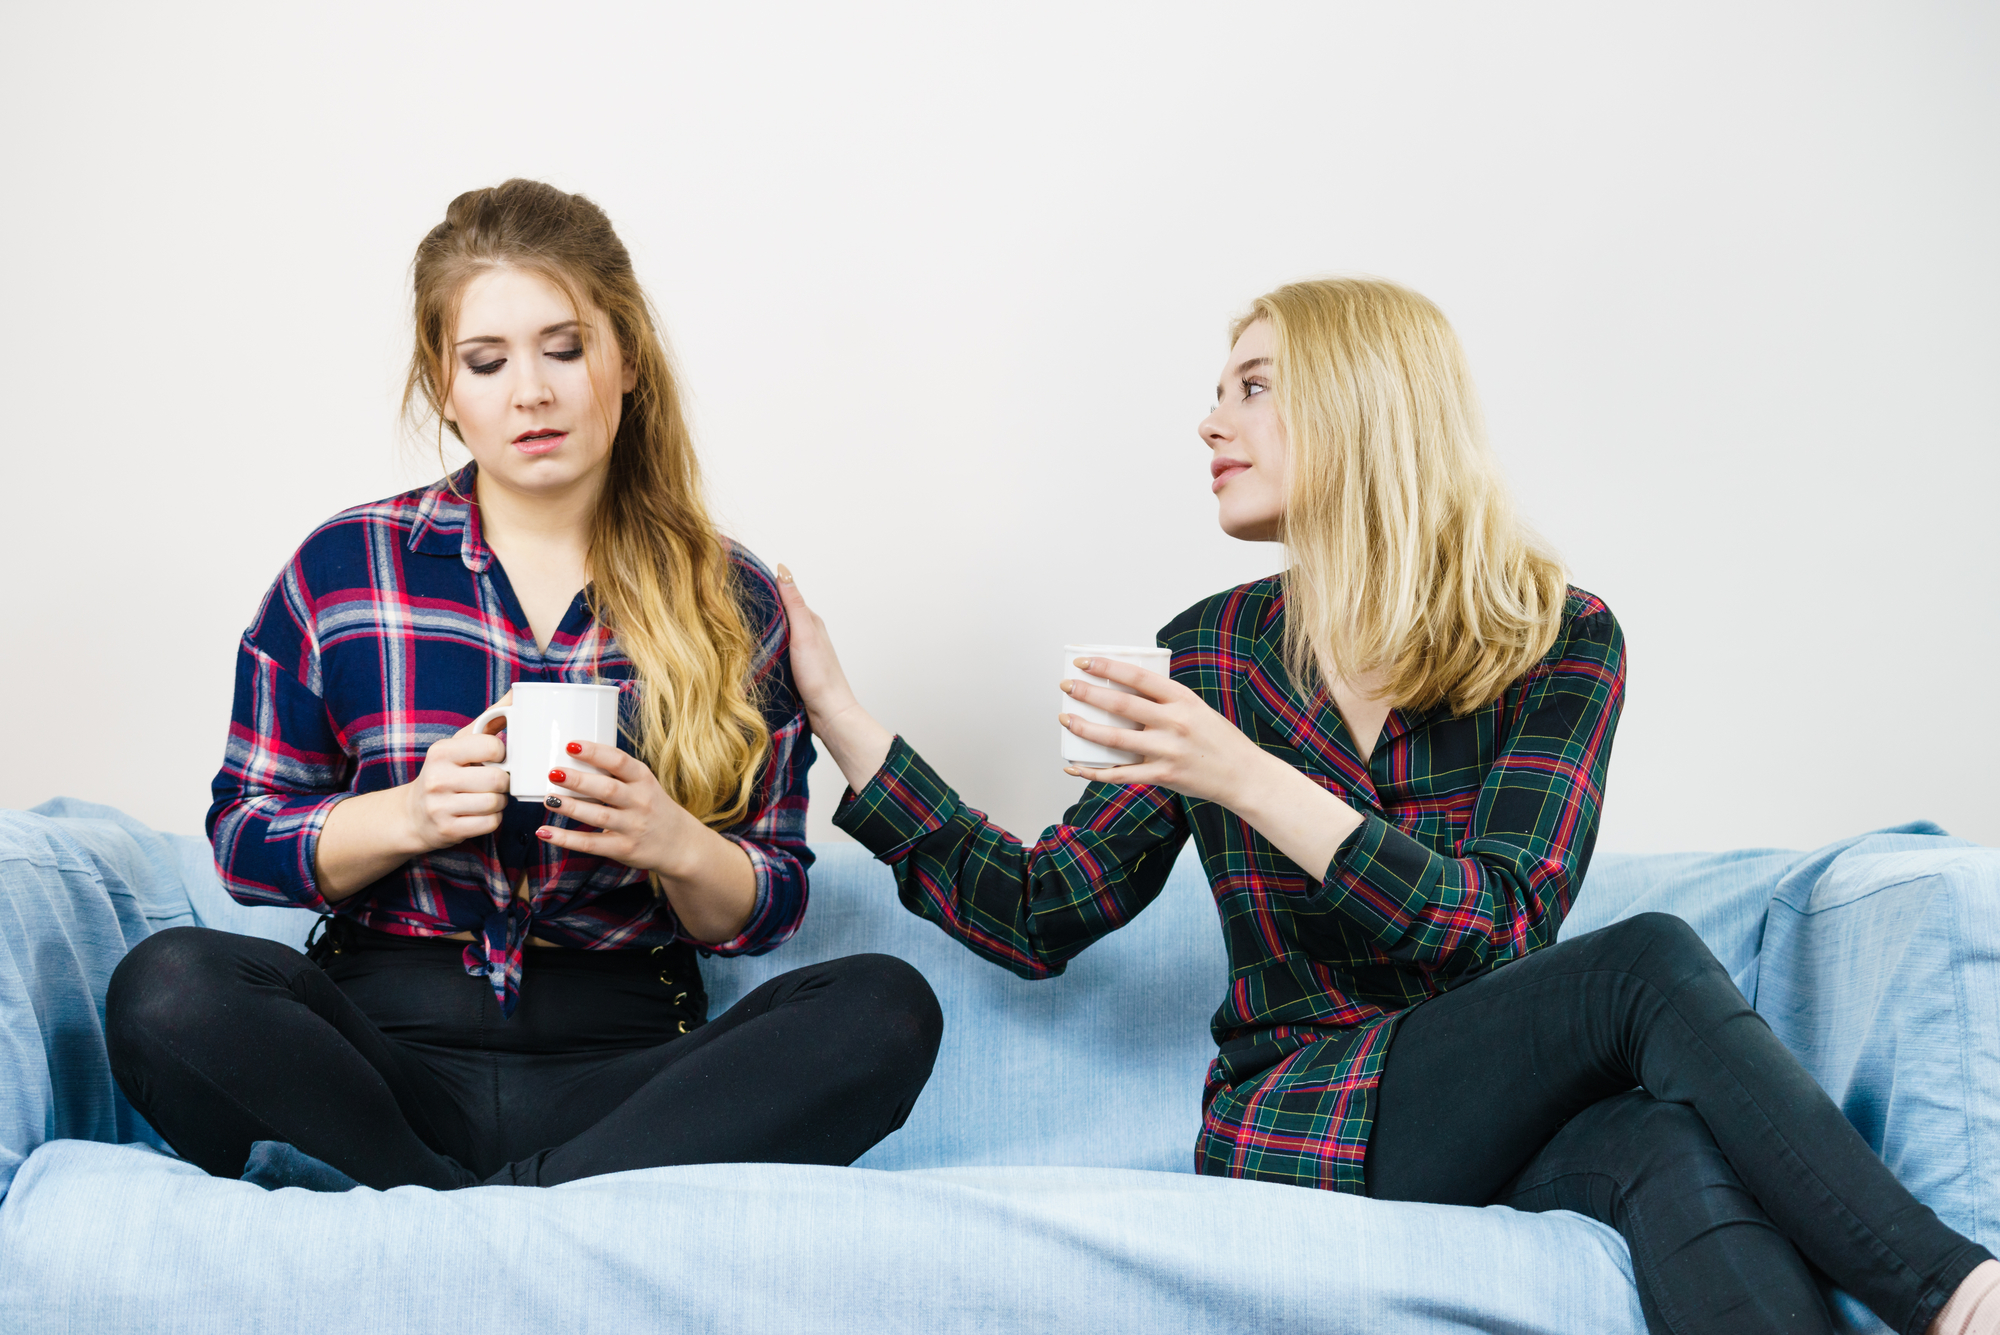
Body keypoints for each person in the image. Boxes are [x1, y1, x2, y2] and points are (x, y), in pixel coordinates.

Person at [776, 277, 2000, 1335]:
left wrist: (1244, 775)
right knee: (1644, 971)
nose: (1208, 420)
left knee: (1656, 1147)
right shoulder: (1208, 657)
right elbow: (1037, 914)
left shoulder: (1557, 637)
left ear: (1359, 403)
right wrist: (835, 707)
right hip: (1300, 1113)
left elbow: (1500, 929)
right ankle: (1951, 1295)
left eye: (1250, 386)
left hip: (1501, 1103)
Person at [104, 179, 941, 1192]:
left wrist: (669, 840)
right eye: (486, 362)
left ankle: (459, 1208)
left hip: (628, 1068)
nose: (529, 394)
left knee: (885, 1007)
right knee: (168, 987)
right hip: (382, 1054)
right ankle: (540, 1206)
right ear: (444, 387)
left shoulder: (732, 595)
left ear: (624, 358)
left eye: (564, 347)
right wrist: (409, 815)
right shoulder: (344, 567)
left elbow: (763, 905)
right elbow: (244, 840)